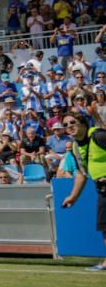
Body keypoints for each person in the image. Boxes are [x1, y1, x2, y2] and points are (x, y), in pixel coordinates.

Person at [60, 114, 106, 270]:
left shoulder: (99, 136)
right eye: (66, 125)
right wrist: (73, 196)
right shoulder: (75, 147)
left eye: (73, 122)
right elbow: (81, 173)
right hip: (103, 190)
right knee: (105, 226)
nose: (69, 126)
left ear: (83, 124)